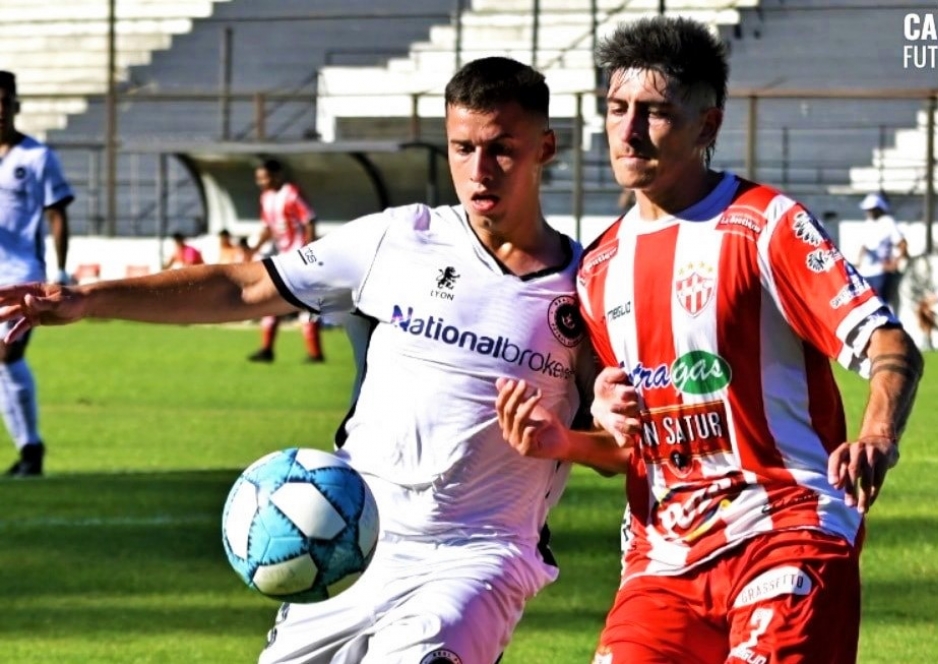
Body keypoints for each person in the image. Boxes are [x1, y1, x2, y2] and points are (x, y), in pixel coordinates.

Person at [0, 56, 595, 664]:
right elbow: (241, 288)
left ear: (544, 147)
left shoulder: (588, 284)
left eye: (501, 149)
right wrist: (89, 300)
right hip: (348, 536)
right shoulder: (398, 239)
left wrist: (567, 444)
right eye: (461, 148)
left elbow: (628, 441)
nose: (478, 170)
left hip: (479, 553)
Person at [494, 17, 923, 664]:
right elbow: (631, 447)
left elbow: (889, 347)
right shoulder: (598, 269)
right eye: (616, 109)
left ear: (708, 126)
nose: (629, 130)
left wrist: (876, 436)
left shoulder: (764, 226)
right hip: (660, 561)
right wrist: (566, 442)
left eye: (655, 112)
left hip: (786, 530)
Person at [0, 70, 74, 477]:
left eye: (4, 102)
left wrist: (60, 270)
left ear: (16, 106)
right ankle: (29, 450)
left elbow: (57, 214)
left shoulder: (37, 157)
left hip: (23, 273)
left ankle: (31, 450)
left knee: (9, 354)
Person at [247, 158, 324, 363]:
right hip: (284, 257)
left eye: (264, 177)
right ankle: (267, 349)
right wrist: (253, 249)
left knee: (301, 302)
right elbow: (269, 228)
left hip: (298, 255)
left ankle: (314, 353)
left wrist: (308, 253)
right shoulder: (266, 197)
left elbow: (309, 220)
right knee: (277, 300)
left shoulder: (292, 193)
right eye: (259, 178)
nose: (261, 182)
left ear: (276, 175)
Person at [857, 191, 907, 311]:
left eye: (871, 209)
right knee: (865, 306)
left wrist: (894, 263)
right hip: (865, 272)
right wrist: (858, 262)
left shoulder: (888, 222)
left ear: (878, 209)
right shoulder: (868, 223)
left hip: (880, 272)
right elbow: (864, 246)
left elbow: (902, 244)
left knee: (879, 305)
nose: (868, 212)